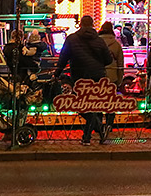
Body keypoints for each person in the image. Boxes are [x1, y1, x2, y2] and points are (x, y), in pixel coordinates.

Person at [54, 16, 112, 144]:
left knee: (80, 105)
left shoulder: (71, 39)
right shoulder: (99, 40)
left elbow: (63, 58)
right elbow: (108, 60)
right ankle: (98, 129)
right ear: (92, 25)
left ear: (80, 24)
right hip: (97, 76)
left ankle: (88, 137)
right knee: (90, 106)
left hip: (79, 76)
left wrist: (57, 73)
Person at [98, 21, 125, 137]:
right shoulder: (116, 44)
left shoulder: (96, 42)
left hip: (98, 74)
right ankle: (110, 123)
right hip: (112, 76)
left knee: (97, 101)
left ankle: (98, 124)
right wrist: (120, 79)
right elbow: (120, 63)